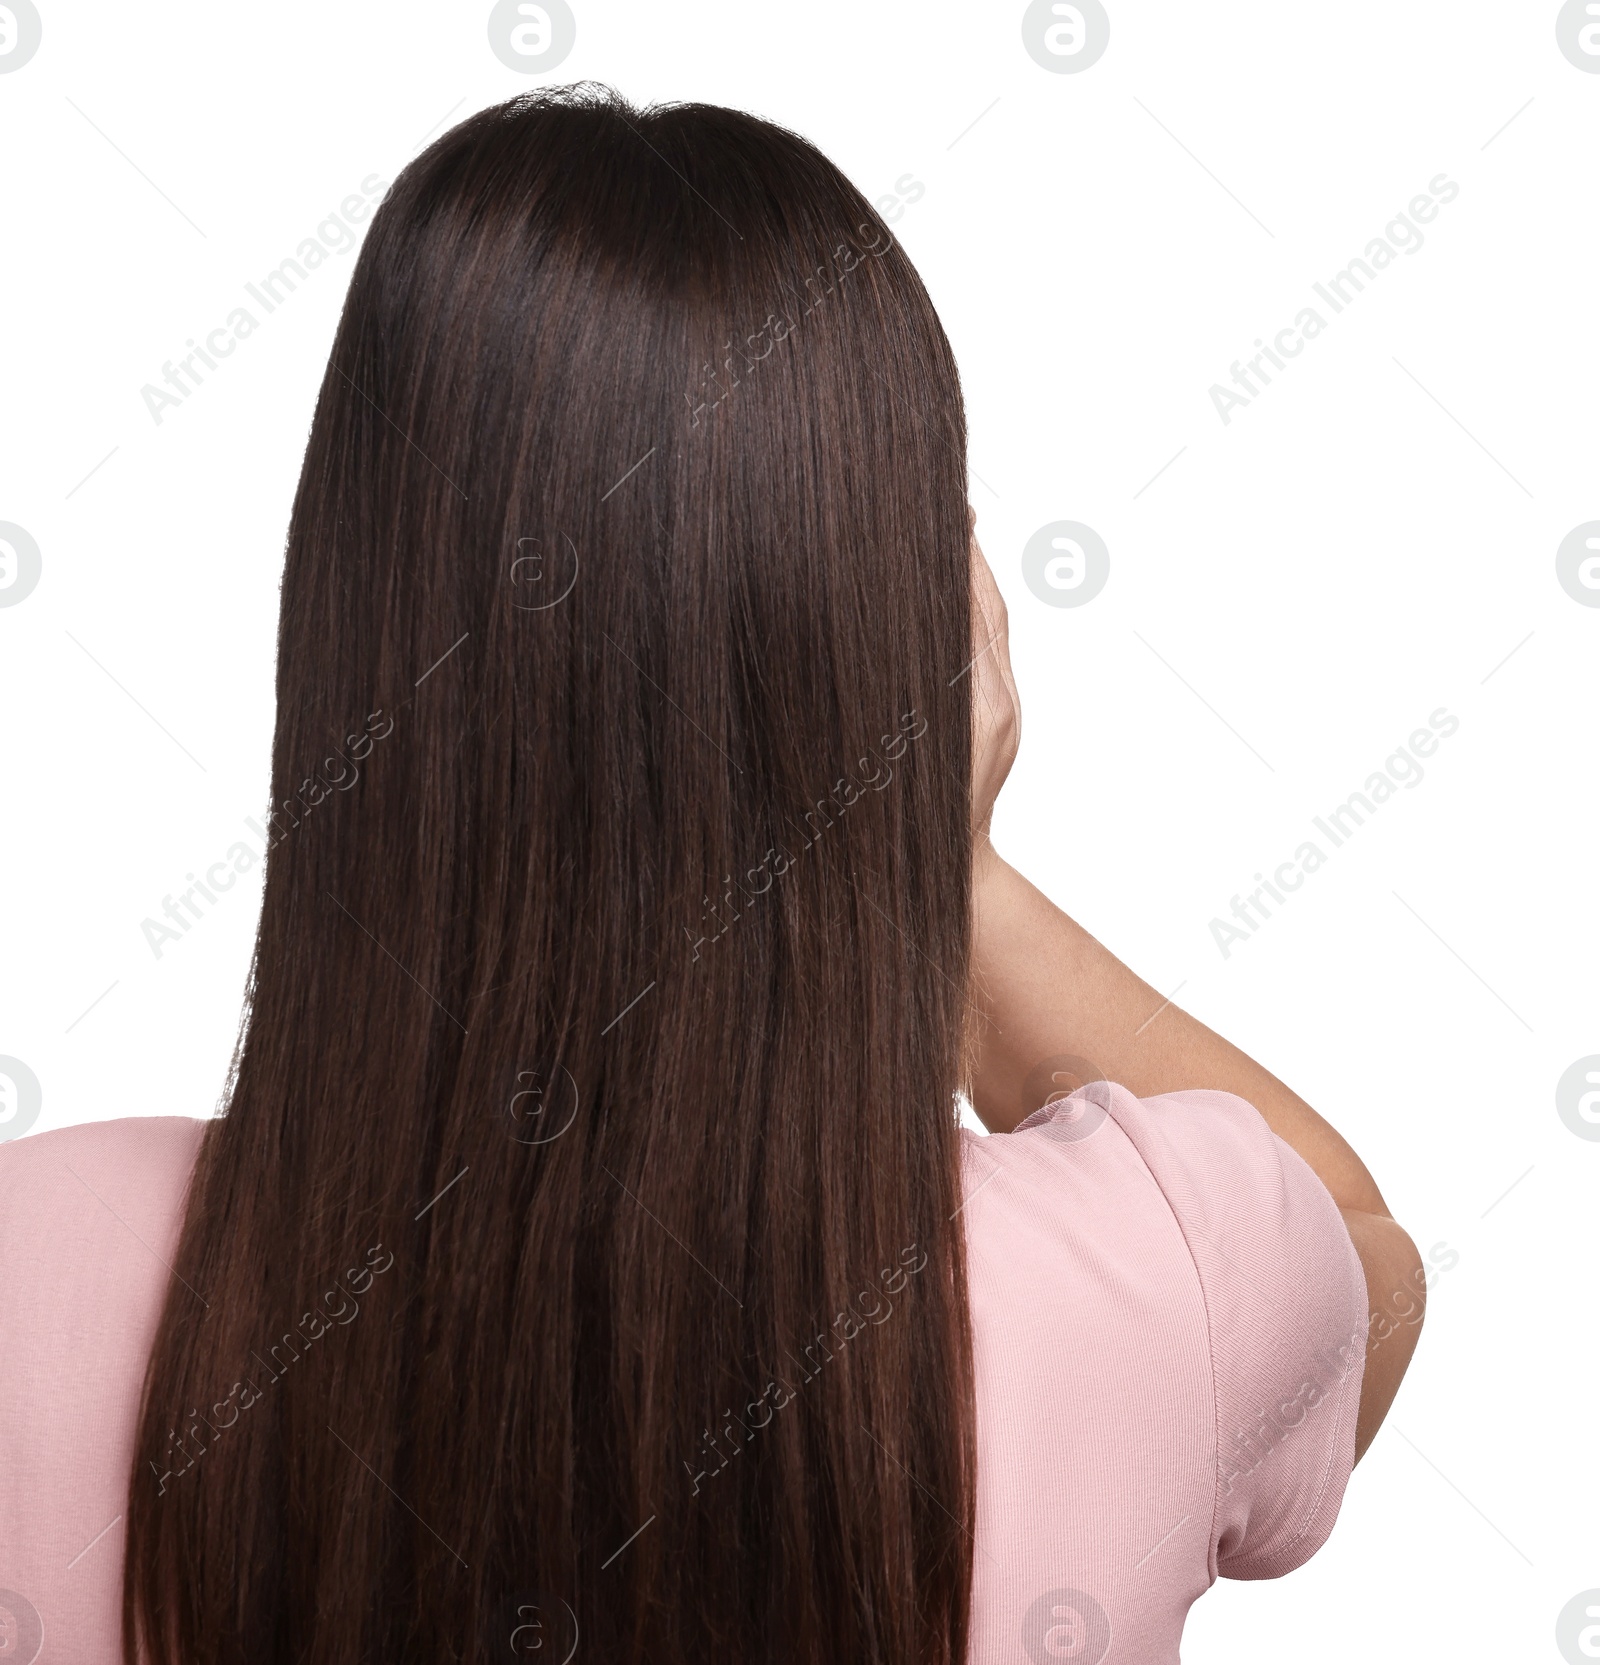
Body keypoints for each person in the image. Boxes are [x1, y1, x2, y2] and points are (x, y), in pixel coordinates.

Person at [0, 84, 1422, 1665]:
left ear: (351, 632)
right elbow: (1360, 1248)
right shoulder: (1163, 1284)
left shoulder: (24, 1276)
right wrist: (924, 859)